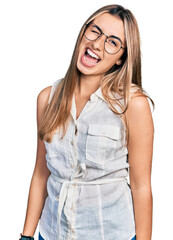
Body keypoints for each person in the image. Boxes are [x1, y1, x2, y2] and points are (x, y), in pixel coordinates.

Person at [20, 4, 154, 240]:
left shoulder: (133, 104)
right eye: (95, 31)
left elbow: (141, 186)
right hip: (52, 233)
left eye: (113, 41)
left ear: (120, 58)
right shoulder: (47, 98)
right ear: (83, 33)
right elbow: (41, 174)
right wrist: (27, 236)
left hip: (111, 234)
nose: (97, 44)